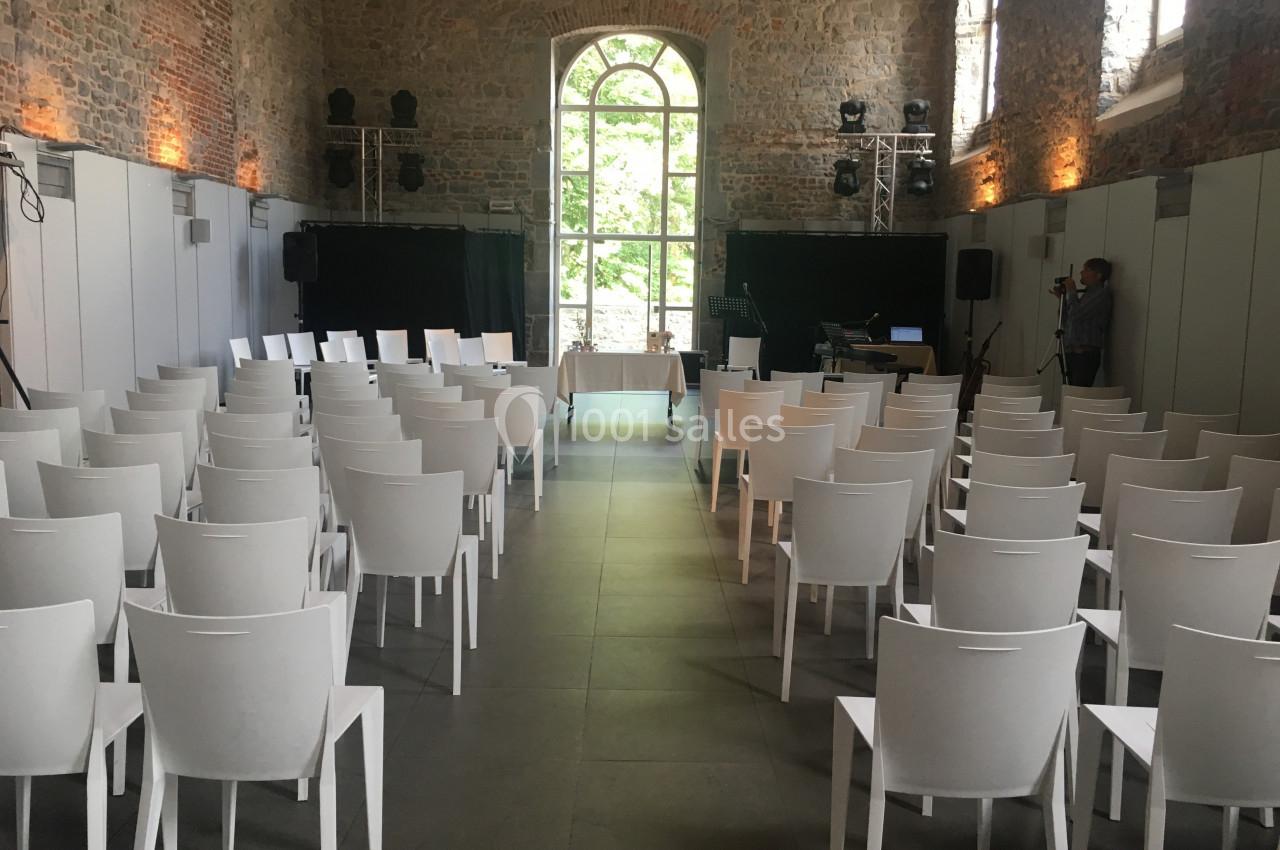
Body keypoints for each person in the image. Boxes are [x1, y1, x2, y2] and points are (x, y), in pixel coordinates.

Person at [1050, 257, 1113, 387]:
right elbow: (1067, 321)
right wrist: (1062, 300)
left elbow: (1076, 315)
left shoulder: (1101, 294)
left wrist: (1072, 291)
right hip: (1071, 353)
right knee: (1068, 392)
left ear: (1098, 275)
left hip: (1084, 355)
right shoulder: (1086, 295)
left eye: (1086, 270)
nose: (1081, 272)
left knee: (1078, 393)